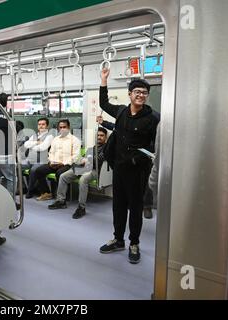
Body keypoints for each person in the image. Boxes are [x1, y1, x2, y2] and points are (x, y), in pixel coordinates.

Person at [98, 68, 159, 264]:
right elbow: (103, 103)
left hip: (138, 171)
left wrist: (138, 159)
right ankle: (118, 239)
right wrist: (103, 80)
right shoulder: (122, 112)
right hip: (119, 169)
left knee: (135, 208)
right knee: (118, 207)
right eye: (137, 92)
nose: (141, 95)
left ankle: (134, 243)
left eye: (144, 93)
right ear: (130, 94)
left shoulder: (153, 118)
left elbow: (155, 145)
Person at [48, 127, 108, 219]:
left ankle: (81, 207)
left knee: (83, 179)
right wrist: (83, 160)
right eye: (98, 135)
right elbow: (82, 158)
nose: (99, 137)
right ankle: (61, 201)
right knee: (63, 176)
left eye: (102, 136)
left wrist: (87, 160)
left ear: (106, 137)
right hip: (84, 168)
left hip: (96, 170)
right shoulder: (92, 148)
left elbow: (98, 160)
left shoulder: (107, 148)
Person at [0, 93, 24, 248]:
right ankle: (10, 201)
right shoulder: (7, 116)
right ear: (6, 102)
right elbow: (17, 133)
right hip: (6, 154)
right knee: (11, 179)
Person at [32, 119, 81, 201]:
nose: (62, 129)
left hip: (67, 164)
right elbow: (51, 153)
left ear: (68, 127)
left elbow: (75, 157)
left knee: (59, 173)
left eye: (64, 127)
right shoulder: (56, 139)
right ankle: (46, 193)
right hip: (54, 164)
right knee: (39, 171)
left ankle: (62, 197)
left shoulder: (75, 140)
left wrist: (63, 163)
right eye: (60, 127)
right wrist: (51, 161)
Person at [22, 117, 54, 198]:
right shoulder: (34, 135)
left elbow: (43, 147)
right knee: (17, 166)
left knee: (33, 170)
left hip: (42, 161)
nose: (41, 126)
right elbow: (26, 144)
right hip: (30, 159)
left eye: (43, 124)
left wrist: (32, 146)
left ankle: (30, 190)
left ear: (47, 126)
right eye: (39, 124)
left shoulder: (49, 136)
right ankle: (23, 187)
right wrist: (37, 142)